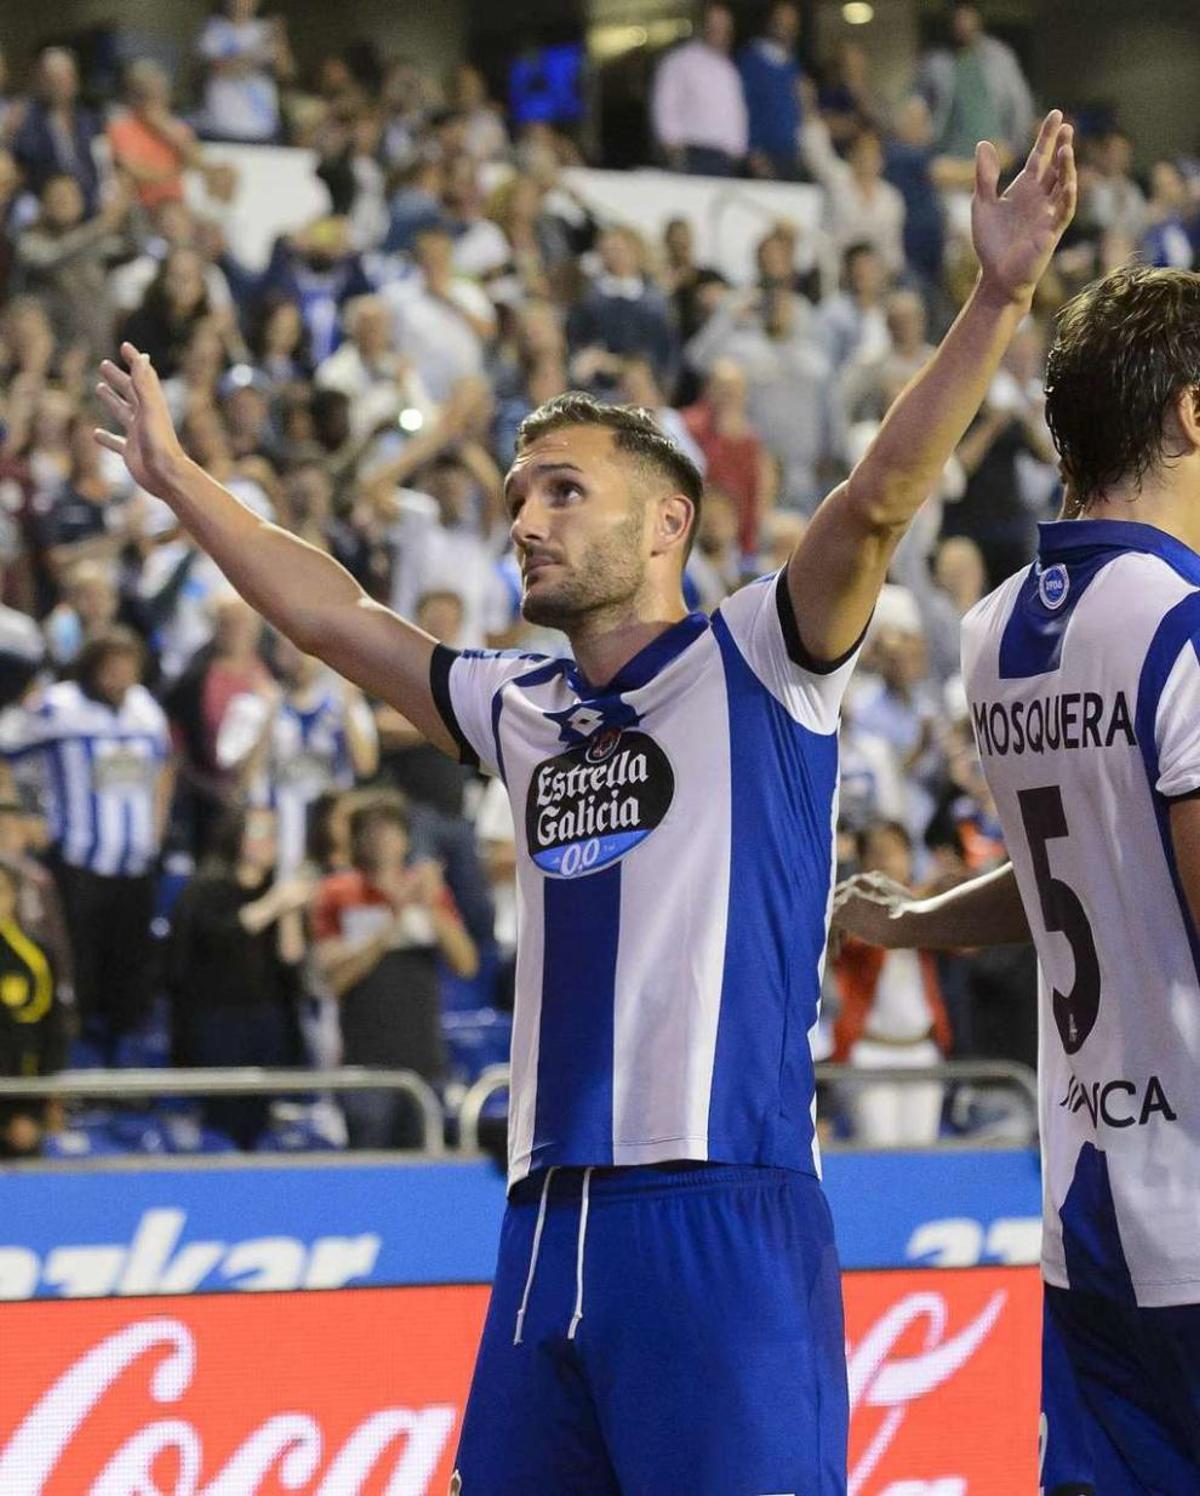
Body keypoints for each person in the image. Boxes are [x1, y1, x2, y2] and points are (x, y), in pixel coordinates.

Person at [94, 107, 1075, 1490]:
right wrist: (180, 479)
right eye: (515, 499)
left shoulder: (761, 659)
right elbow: (332, 615)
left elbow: (872, 503)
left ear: (666, 521)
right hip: (540, 1219)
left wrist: (996, 296)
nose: (525, 522)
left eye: (563, 491)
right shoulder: (517, 705)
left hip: (720, 1208)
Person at [831, 261, 1200, 1487]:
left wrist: (923, 918)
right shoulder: (1183, 623)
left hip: (1088, 1206)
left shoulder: (996, 632)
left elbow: (1088, 855)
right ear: (1193, 412)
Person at [0, 627, 172, 1061]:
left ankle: (123, 1070)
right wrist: (18, 816)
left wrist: (156, 825)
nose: (119, 677)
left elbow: (167, 764)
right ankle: (75, 1066)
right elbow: (5, 747)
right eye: (110, 667)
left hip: (134, 863)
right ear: (92, 667)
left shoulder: (145, 709)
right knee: (78, 972)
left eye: (127, 667)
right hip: (78, 861)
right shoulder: (58, 707)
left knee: (131, 974)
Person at [310, 797, 476, 1147]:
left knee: (421, 1169)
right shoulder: (338, 893)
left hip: (424, 1060)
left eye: (391, 831)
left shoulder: (428, 892)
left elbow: (466, 963)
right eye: (372, 832)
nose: (383, 840)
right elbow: (333, 979)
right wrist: (392, 920)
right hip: (366, 1061)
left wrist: (429, 903)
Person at [167, 804, 308, 1147]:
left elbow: (291, 957)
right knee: (223, 1115)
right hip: (217, 1019)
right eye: (260, 832)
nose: (270, 842)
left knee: (261, 1118)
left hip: (267, 1017)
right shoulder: (206, 890)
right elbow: (221, 934)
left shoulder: (275, 891)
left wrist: (289, 910)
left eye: (275, 833)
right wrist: (277, 902)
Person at [650, 2, 747, 177]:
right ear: (703, 25)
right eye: (714, 25)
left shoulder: (729, 69)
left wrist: (737, 148)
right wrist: (672, 145)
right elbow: (665, 104)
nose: (719, 32)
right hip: (692, 153)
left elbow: (735, 111)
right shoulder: (680, 61)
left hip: (725, 158)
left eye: (724, 27)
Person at [738, 2, 804, 181]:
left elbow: (796, 112)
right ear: (771, 22)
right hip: (762, 155)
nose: (787, 28)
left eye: (792, 24)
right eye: (782, 22)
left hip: (790, 154)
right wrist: (752, 150)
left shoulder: (793, 65)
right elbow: (742, 107)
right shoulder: (751, 59)